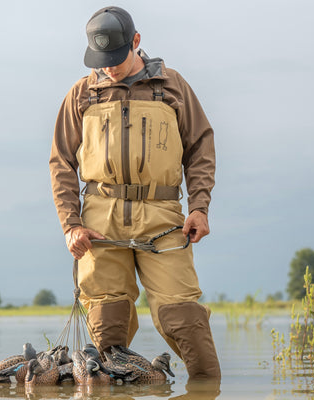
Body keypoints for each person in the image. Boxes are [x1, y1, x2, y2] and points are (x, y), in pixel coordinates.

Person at [49, 6, 221, 379]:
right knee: (107, 329)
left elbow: (201, 148)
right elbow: (61, 162)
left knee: (184, 320)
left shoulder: (173, 86)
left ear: (136, 41)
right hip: (100, 222)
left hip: (162, 216)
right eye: (102, 60)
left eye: (115, 57)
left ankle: (208, 389)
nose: (108, 67)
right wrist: (71, 225)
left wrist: (200, 206)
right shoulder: (81, 95)